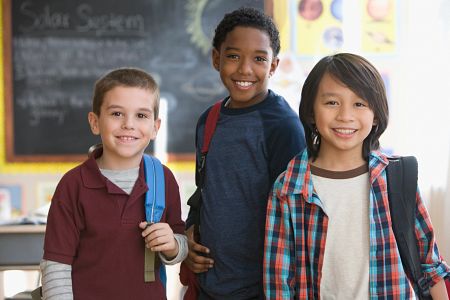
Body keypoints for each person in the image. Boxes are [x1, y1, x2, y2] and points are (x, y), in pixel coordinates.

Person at [264, 53, 450, 299]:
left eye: (359, 104)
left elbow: (431, 267)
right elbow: (279, 285)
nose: (345, 116)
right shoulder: (288, 188)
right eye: (332, 103)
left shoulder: (395, 177)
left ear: (375, 115)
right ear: (310, 112)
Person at [183, 7, 306, 299]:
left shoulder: (283, 126)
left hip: (261, 289)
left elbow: (294, 216)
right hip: (209, 285)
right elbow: (204, 190)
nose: (245, 70)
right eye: (234, 56)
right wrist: (189, 233)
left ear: (274, 66)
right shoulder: (208, 120)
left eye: (259, 59)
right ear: (216, 58)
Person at [40, 68, 188, 300]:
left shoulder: (163, 179)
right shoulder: (74, 185)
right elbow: (56, 266)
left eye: (141, 115)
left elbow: (180, 244)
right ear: (95, 122)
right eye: (117, 114)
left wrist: (172, 245)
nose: (129, 124)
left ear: (155, 127)